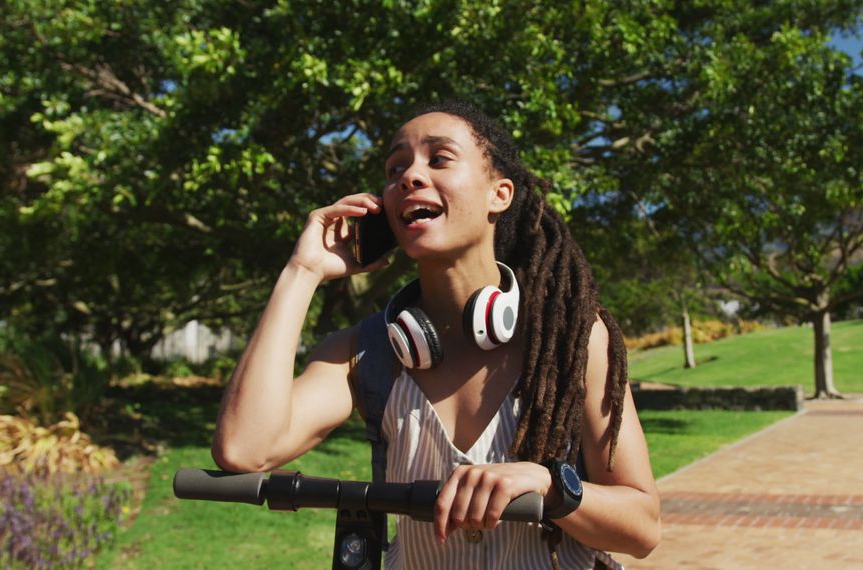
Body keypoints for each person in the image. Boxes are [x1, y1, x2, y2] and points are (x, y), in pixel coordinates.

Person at [212, 101, 662, 568]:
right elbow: (244, 450)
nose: (409, 176)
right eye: (395, 167)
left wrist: (549, 486)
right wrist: (302, 270)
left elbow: (643, 528)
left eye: (439, 158)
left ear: (500, 194)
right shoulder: (361, 353)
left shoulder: (574, 339)